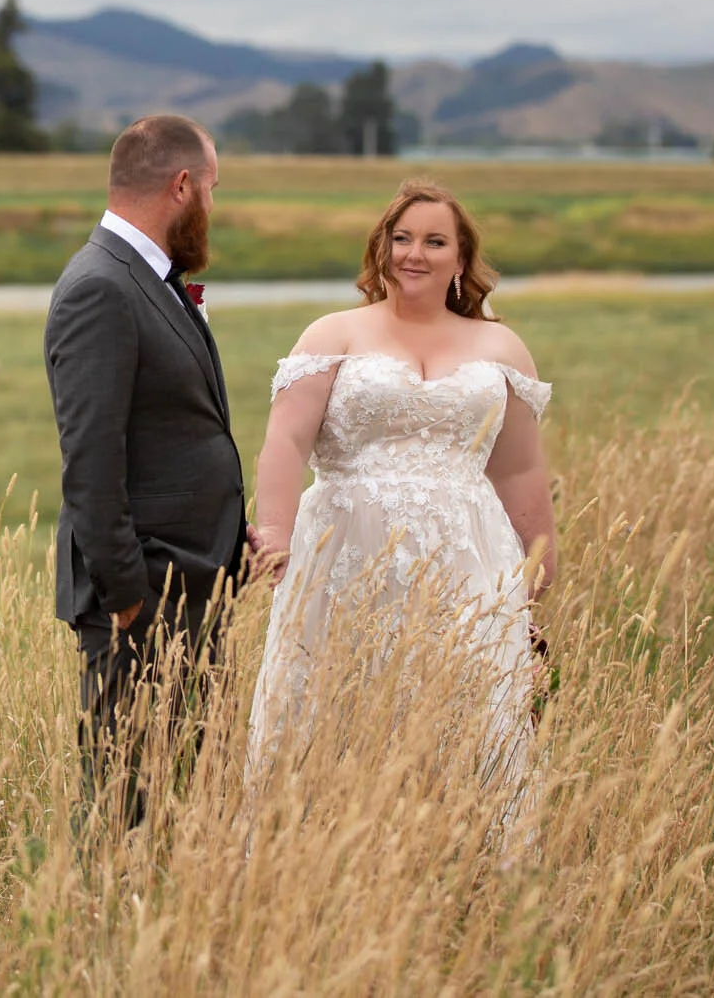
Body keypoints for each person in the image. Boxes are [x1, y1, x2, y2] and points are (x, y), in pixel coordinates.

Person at [245, 178, 556, 822]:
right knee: (337, 706)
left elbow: (520, 468)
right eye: (402, 238)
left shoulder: (501, 347)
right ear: (381, 247)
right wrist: (273, 532)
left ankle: (461, 852)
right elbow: (285, 441)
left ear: (461, 259)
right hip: (344, 554)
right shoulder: (333, 334)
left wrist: (536, 573)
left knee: (466, 711)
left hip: (468, 560)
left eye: (435, 241)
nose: (415, 253)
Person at [43, 114, 260, 825]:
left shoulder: (146, 277)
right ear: (182, 185)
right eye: (213, 189)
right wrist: (128, 593)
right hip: (146, 596)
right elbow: (90, 456)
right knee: (126, 811)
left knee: (184, 804)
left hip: (191, 583)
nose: (212, 207)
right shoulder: (101, 286)